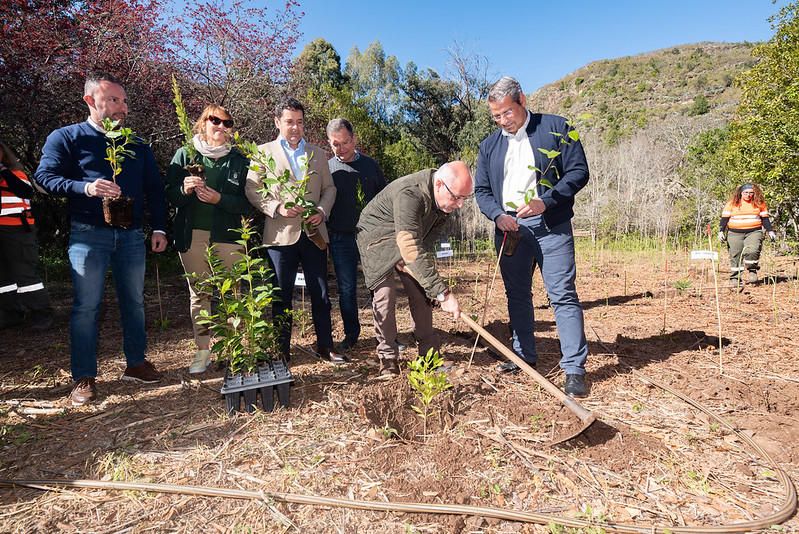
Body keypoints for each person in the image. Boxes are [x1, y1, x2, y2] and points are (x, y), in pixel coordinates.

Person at [34, 72, 167, 405]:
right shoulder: (66, 138)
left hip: (132, 237)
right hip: (87, 236)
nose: (122, 107)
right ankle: (83, 377)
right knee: (86, 307)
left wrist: (161, 228)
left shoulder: (136, 145)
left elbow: (155, 189)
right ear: (90, 101)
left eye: (123, 101)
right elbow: (44, 177)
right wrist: (86, 188)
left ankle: (135, 363)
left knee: (135, 303)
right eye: (113, 100)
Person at [474, 76, 590, 398]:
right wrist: (498, 216)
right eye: (496, 116)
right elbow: (482, 191)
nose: (502, 122)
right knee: (517, 294)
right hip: (511, 230)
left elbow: (579, 171)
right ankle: (523, 355)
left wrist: (547, 200)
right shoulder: (488, 146)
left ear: (522, 100)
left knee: (562, 294)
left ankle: (574, 369)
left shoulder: (558, 128)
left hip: (551, 225)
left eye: (506, 113)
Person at [245, 98, 345, 364]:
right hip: (279, 235)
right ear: (277, 122)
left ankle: (325, 346)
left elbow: (330, 189)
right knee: (280, 294)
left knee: (321, 293)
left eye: (299, 122)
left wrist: (321, 211)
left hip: (313, 233)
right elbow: (252, 188)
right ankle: (281, 352)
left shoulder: (318, 154)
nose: (295, 128)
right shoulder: (262, 153)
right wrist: (277, 207)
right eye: (289, 122)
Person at [356, 162, 470, 377]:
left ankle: (429, 357)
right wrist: (443, 294)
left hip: (405, 237)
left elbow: (423, 245)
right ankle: (388, 359)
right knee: (385, 294)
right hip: (376, 237)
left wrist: (430, 284)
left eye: (465, 198)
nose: (460, 205)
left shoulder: (444, 203)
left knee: (422, 292)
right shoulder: (410, 194)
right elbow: (409, 245)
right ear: (439, 184)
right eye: (457, 197)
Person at [166, 105, 252, 373]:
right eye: (215, 121)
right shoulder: (185, 155)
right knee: (200, 293)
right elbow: (169, 195)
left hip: (227, 235)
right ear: (203, 123)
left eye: (227, 123)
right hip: (193, 235)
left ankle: (233, 349)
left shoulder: (240, 160)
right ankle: (203, 352)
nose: (221, 127)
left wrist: (220, 199)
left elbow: (250, 204)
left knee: (232, 293)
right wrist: (183, 188)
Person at [326, 118, 386, 351]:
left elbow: (384, 199)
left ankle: (384, 333)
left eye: (345, 142)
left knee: (379, 286)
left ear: (354, 139)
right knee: (346, 288)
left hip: (371, 237)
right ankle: (352, 334)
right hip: (341, 238)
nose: (341, 148)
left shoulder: (371, 166)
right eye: (335, 144)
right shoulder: (327, 169)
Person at [0, 140, 53, 330]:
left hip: (17, 230)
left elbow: (26, 191)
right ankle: (10, 313)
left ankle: (41, 314)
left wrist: (3, 171)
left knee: (24, 273)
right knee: (3, 277)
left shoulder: (15, 174)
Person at [718, 183, 776, 286]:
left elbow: (765, 218)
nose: (748, 195)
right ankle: (735, 278)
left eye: (751, 193)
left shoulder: (759, 203)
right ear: (740, 193)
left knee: (753, 250)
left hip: (754, 231)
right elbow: (724, 219)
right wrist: (721, 231)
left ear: (754, 193)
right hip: (734, 232)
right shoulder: (732, 203)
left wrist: (770, 231)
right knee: (735, 254)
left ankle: (752, 270)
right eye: (746, 193)